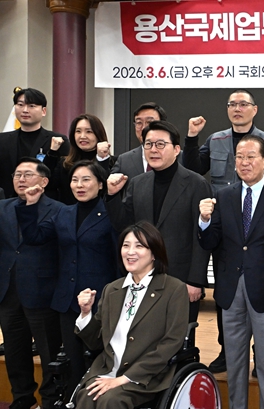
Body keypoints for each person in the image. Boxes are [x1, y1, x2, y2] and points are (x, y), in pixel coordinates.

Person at [198, 134, 264, 409]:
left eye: (251, 157)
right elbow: (210, 242)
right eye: (240, 157)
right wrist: (204, 220)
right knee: (234, 363)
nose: (244, 162)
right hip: (230, 290)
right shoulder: (223, 196)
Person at [16, 160, 119, 399]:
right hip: (67, 300)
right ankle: (72, 402)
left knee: (99, 360)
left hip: (100, 300)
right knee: (72, 361)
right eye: (74, 180)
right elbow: (34, 237)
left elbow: (119, 258)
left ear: (100, 184)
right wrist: (31, 204)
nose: (79, 185)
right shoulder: (64, 212)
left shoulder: (111, 213)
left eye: (86, 179)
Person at [106, 120, 211, 333]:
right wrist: (111, 196)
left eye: (160, 144)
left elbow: (200, 236)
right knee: (143, 335)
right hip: (142, 276)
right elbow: (123, 225)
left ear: (177, 149)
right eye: (148, 144)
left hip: (181, 278)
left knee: (177, 337)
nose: (153, 150)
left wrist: (195, 280)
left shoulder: (196, 183)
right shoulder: (137, 183)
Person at [73, 221, 189, 409]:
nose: (130, 252)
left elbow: (171, 342)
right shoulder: (112, 289)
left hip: (146, 375)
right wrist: (86, 313)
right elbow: (96, 343)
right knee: (87, 396)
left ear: (154, 253)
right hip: (108, 369)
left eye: (139, 246)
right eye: (126, 246)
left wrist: (124, 378)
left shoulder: (173, 289)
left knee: (111, 400)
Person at [0, 158, 64, 409]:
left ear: (44, 181)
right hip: (8, 291)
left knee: (49, 352)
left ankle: (50, 400)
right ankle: (22, 398)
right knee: (15, 351)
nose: (21, 179)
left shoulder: (58, 209)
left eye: (27, 174)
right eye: (17, 175)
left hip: (42, 291)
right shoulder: (2, 207)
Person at [184, 89, 264, 191]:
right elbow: (193, 170)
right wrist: (192, 135)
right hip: (220, 199)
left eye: (243, 104)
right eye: (232, 105)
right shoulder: (215, 140)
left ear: (255, 110)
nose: (237, 109)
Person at [0, 87, 69, 198]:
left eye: (31, 106)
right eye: (20, 105)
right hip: (8, 204)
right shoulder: (2, 140)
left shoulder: (58, 140)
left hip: (45, 203)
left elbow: (62, 179)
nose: (25, 110)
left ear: (43, 111)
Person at [45, 114, 114, 204]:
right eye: (78, 131)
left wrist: (102, 159)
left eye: (89, 132)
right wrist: (52, 152)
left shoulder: (112, 162)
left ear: (98, 134)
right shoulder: (65, 163)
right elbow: (46, 183)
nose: (82, 136)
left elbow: (106, 190)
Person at [110, 102, 167, 181]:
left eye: (149, 122)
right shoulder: (124, 160)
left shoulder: (179, 157)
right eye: (139, 123)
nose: (143, 128)